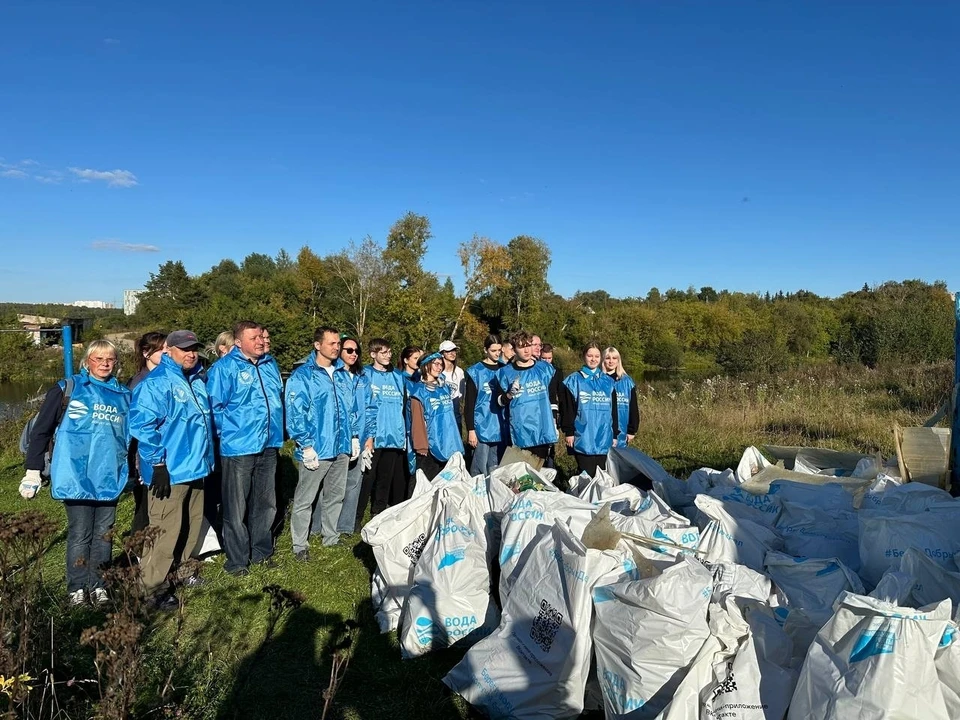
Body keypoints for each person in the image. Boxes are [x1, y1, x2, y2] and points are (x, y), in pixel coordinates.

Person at [23, 340, 130, 606]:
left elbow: (130, 437)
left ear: (116, 362)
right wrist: (33, 471)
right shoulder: (67, 389)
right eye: (98, 359)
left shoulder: (124, 395)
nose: (105, 363)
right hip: (75, 474)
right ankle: (77, 588)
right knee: (81, 533)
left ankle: (99, 585)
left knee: (104, 533)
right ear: (87, 361)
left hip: (108, 474)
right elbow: (41, 430)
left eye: (110, 359)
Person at [129, 330, 214, 610]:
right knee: (165, 530)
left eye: (194, 349)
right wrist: (158, 464)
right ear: (169, 351)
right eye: (185, 349)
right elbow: (143, 427)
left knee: (192, 524)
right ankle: (152, 588)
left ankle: (183, 572)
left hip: (197, 467)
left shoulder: (195, 380)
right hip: (170, 471)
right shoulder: (156, 383)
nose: (191, 354)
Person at [206, 321, 284, 576]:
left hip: (268, 443)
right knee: (236, 507)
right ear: (238, 342)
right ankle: (237, 561)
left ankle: (261, 552)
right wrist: (228, 435)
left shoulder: (270, 364)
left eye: (261, 336)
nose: (261, 341)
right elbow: (214, 408)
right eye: (254, 338)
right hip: (238, 447)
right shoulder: (224, 368)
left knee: (266, 503)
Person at [285, 327, 360, 559]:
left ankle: (330, 537)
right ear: (318, 345)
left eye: (338, 343)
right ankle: (299, 545)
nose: (336, 348)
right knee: (305, 499)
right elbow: (295, 412)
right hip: (317, 448)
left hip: (341, 446)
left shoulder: (342, 374)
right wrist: (305, 445)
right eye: (331, 343)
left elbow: (351, 408)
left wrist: (354, 436)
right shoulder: (303, 376)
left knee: (335, 496)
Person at [355, 338, 408, 526]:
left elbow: (403, 406)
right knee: (367, 478)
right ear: (373, 354)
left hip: (393, 435)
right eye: (383, 352)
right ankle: (356, 517)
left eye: (390, 352)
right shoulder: (364, 374)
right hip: (372, 436)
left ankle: (378, 515)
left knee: (385, 479)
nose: (388, 355)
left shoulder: (398, 376)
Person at [494, 330, 560, 462]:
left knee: (540, 471)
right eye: (521, 347)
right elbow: (498, 402)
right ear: (514, 350)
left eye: (528, 346)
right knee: (522, 472)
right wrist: (509, 394)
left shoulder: (545, 369)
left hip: (543, 429)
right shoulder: (505, 372)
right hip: (520, 432)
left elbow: (552, 397)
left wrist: (554, 422)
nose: (526, 350)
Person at [328, 336, 369, 536]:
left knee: (354, 482)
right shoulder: (334, 375)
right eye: (349, 350)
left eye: (356, 351)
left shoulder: (362, 378)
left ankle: (345, 526)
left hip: (360, 436)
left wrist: (369, 437)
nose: (354, 354)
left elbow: (370, 407)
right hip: (338, 436)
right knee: (332, 484)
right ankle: (322, 525)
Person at [127, 331, 167, 535]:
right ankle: (138, 545)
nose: (166, 354)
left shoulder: (166, 379)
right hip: (142, 453)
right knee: (144, 505)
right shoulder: (139, 383)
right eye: (160, 350)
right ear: (146, 353)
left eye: (167, 349)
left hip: (162, 450)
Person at [560, 342, 619, 476]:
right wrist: (569, 432)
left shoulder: (609, 382)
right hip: (583, 436)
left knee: (602, 475)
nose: (593, 359)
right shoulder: (573, 381)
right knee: (586, 474)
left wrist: (615, 434)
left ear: (601, 358)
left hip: (604, 436)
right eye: (590, 356)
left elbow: (613, 411)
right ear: (583, 356)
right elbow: (567, 410)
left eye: (597, 356)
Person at [408, 351, 464, 480]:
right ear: (426, 365)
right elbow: (417, 421)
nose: (439, 367)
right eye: (436, 364)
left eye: (441, 364)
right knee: (426, 483)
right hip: (430, 445)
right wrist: (421, 446)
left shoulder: (444, 388)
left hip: (449, 442)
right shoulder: (419, 392)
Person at [464, 335, 508, 476]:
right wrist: (471, 429)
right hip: (482, 426)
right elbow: (469, 404)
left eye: (499, 350)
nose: (497, 354)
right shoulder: (475, 372)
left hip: (501, 425)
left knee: (496, 467)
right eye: (493, 350)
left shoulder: (505, 369)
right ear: (485, 350)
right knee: (479, 467)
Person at [603, 346, 640, 447]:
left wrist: (632, 430)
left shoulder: (627, 382)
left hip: (622, 429)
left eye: (614, 358)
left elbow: (633, 407)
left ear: (618, 360)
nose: (611, 361)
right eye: (608, 358)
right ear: (603, 360)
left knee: (618, 455)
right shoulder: (597, 380)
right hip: (602, 429)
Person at [439, 340, 465, 432]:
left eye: (454, 350)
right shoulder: (437, 371)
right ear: (442, 354)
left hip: (455, 413)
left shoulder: (459, 371)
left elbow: (461, 394)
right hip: (441, 413)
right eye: (448, 351)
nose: (452, 353)